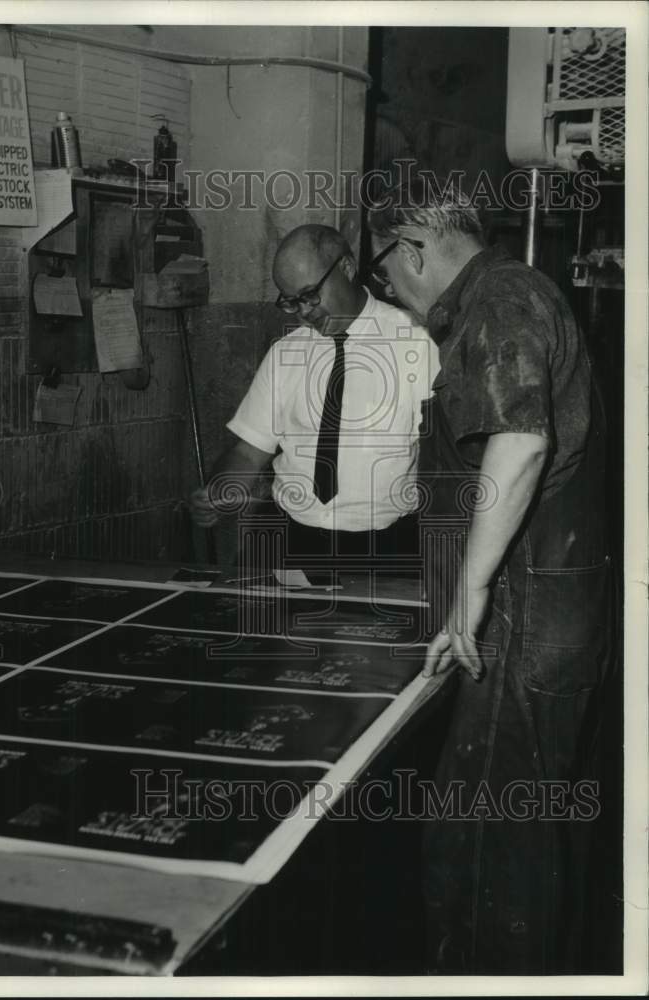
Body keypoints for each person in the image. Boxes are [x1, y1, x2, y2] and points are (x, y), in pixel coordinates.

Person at [367, 179, 612, 973]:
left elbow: (520, 441)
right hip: (537, 614)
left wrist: (467, 599)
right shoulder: (510, 293)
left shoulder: (501, 300)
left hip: (520, 621)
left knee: (482, 844)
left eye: (383, 272)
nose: (390, 292)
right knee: (516, 839)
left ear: (410, 248)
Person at [190, 224, 438, 569]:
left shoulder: (417, 342)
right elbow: (248, 451)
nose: (305, 312)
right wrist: (219, 491)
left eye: (310, 295)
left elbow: (444, 460)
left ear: (347, 269)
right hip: (288, 536)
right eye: (291, 302)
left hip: (387, 545)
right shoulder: (286, 354)